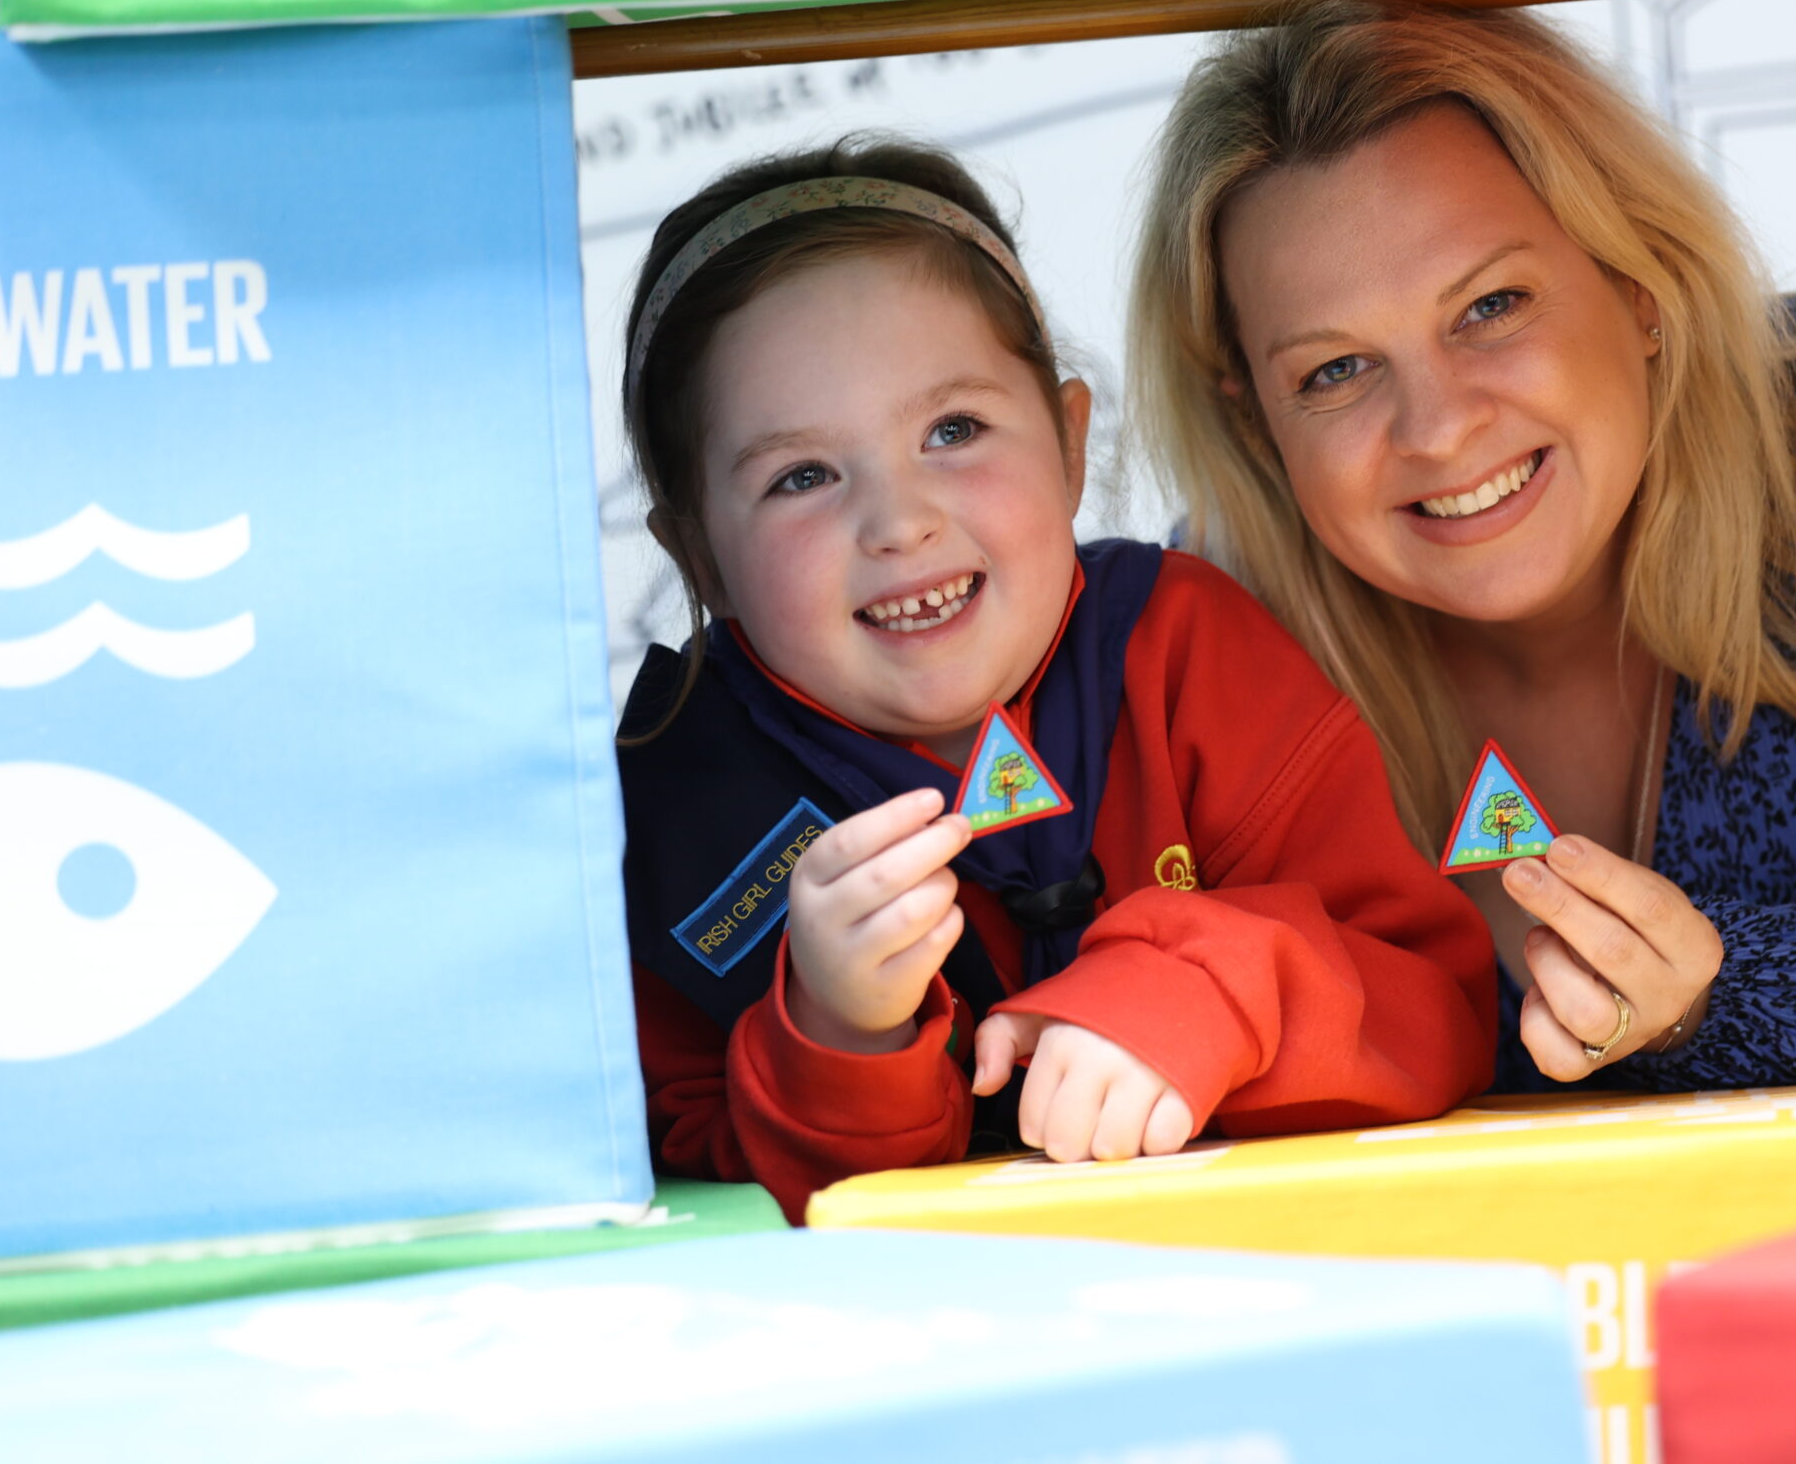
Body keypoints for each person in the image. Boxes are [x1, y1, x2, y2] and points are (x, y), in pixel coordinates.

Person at [1129, 0, 1796, 1093]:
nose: (1438, 428)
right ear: (1256, 420)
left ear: (1636, 282)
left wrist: (1716, 1005)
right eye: (1334, 371)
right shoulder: (1205, 653)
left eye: (1490, 306)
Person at [615, 139, 1496, 1217]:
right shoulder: (668, 819)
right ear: (697, 553)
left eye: (954, 430)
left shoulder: (1185, 657)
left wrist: (1200, 993)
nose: (899, 524)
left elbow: (1432, 1002)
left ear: (1070, 445)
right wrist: (842, 1035)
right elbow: (692, 1175)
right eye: (801, 476)